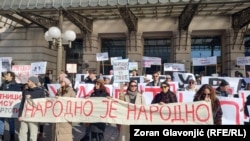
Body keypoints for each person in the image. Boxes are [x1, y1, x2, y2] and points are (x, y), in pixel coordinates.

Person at [18, 76, 45, 141]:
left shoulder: (40, 92)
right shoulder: (25, 91)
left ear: (33, 82)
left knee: (33, 134)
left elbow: (41, 104)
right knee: (22, 133)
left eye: (29, 81)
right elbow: (22, 103)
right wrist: (20, 115)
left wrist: (31, 98)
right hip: (24, 115)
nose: (27, 82)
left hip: (34, 116)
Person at [0, 71, 22, 141]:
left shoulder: (16, 86)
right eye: (6, 75)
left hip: (11, 108)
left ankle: (12, 135)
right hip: (3, 107)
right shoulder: (3, 85)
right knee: (1, 121)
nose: (5, 76)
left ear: (11, 77)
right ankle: (1, 135)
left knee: (11, 122)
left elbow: (18, 96)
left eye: (7, 75)